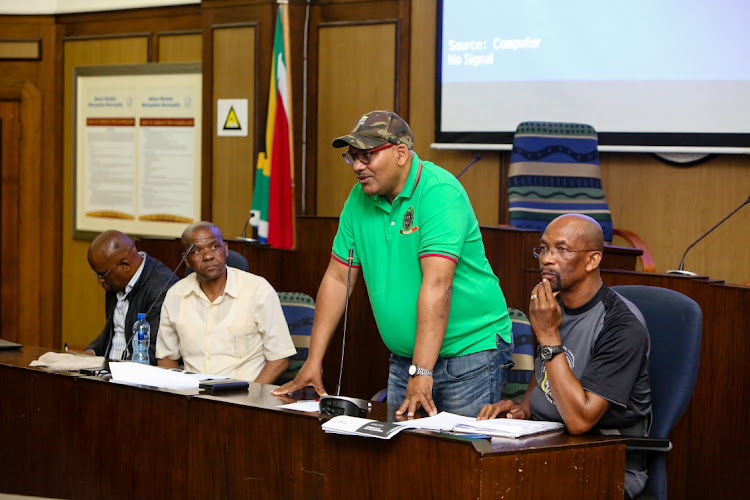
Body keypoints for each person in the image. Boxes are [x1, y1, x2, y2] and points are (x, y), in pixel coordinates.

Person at [273, 110, 513, 418]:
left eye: (368, 156)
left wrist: (423, 369)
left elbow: (438, 285)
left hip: (469, 354)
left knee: (456, 456)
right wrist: (313, 359)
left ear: (401, 153)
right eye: (353, 157)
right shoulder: (359, 199)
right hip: (406, 358)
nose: (358, 166)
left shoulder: (439, 193)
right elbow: (337, 278)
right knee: (401, 459)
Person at [477, 214, 652, 499]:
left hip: (604, 461)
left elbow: (581, 421)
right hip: (550, 445)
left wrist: (548, 335)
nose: (547, 258)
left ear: (592, 260)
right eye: (543, 248)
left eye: (561, 249)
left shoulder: (622, 326)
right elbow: (543, 378)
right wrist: (522, 409)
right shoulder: (553, 305)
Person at [155, 221, 296, 383]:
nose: (208, 256)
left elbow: (280, 358)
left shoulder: (258, 290)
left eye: (214, 247)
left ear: (226, 249)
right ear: (186, 260)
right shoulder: (175, 295)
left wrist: (251, 398)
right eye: (197, 251)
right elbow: (166, 357)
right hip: (193, 396)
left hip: (244, 396)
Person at [85, 230, 178, 364]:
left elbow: (154, 350)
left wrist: (110, 368)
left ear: (125, 266)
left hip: (133, 375)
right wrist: (90, 353)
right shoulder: (115, 281)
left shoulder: (162, 288)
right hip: (108, 370)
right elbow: (113, 329)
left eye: (102, 275)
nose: (100, 281)